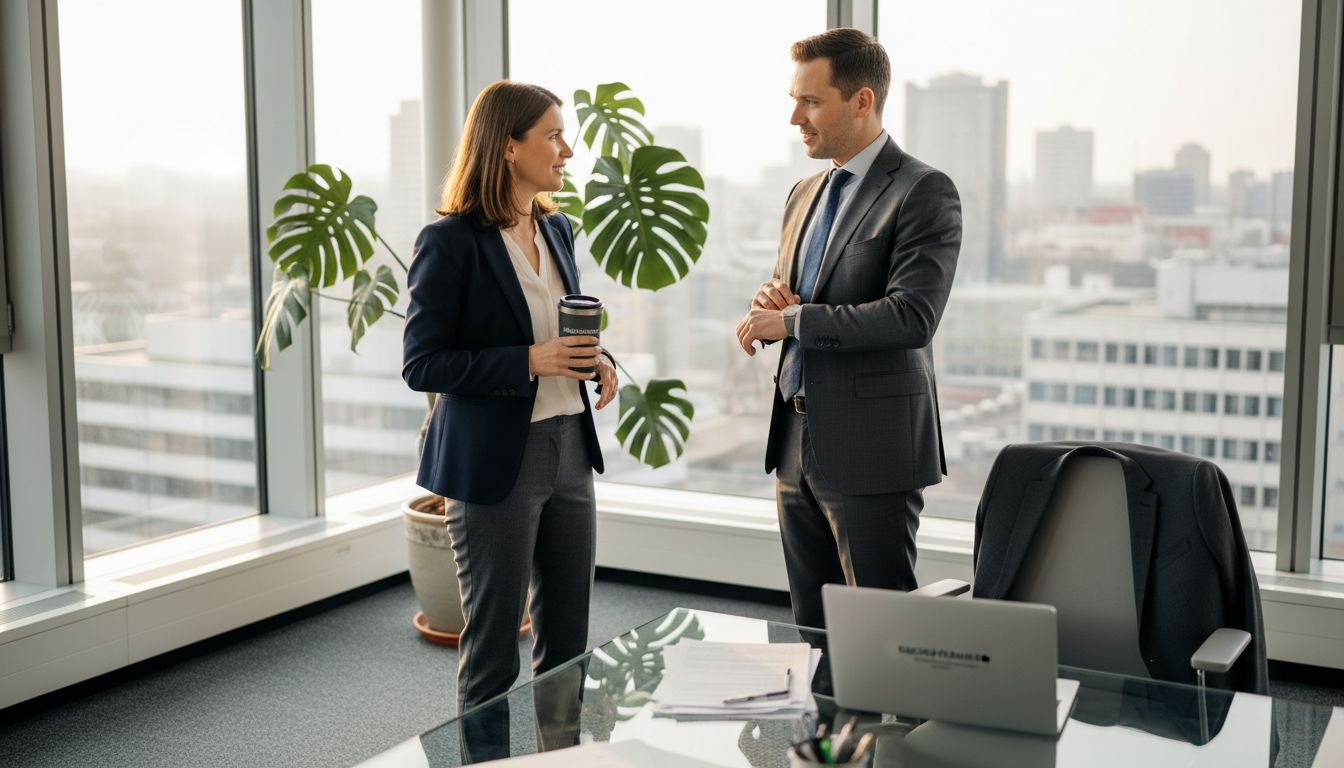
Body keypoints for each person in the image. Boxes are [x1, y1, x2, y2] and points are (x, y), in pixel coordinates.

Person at [403, 80, 618, 722]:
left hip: (570, 449)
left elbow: (559, 328)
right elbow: (423, 363)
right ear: (507, 146)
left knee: (568, 641)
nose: (567, 150)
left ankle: (562, 759)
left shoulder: (558, 230)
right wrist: (529, 361)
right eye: (553, 135)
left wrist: (596, 360)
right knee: (495, 647)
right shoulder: (451, 241)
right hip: (499, 460)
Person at [735, 28, 962, 630]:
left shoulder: (923, 190)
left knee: (880, 632)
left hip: (871, 448)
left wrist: (790, 319)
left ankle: (886, 731)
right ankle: (823, 730)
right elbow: (800, 292)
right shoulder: (803, 192)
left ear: (862, 101)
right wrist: (774, 298)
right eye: (794, 100)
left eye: (810, 102)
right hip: (794, 441)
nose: (794, 118)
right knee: (812, 626)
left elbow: (912, 316)